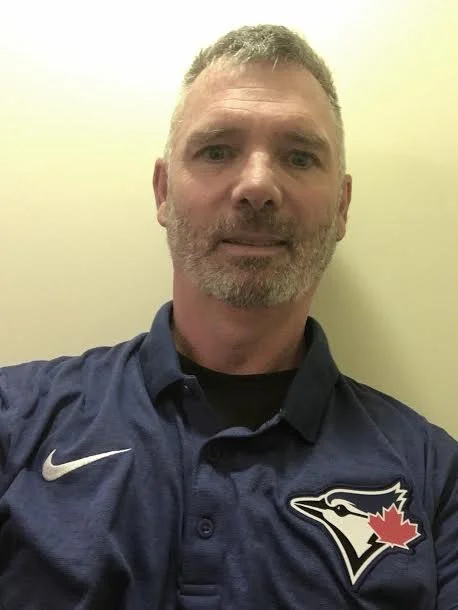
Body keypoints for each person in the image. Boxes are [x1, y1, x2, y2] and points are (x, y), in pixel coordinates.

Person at [0, 24, 456, 610]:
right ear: (163, 192)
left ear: (342, 206)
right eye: (217, 151)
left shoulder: (435, 479)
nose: (258, 186)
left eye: (299, 156)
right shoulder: (17, 420)